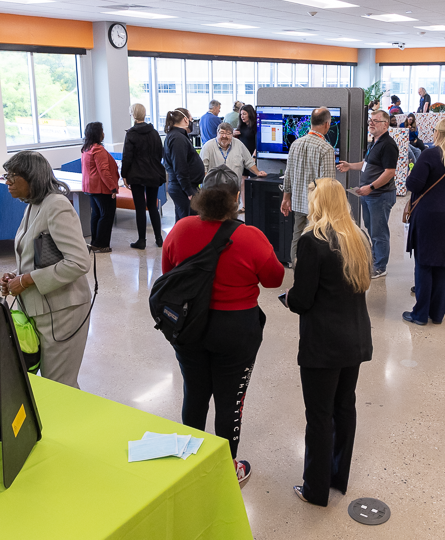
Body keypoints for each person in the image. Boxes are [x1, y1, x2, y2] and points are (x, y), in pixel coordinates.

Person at [161, 170, 285, 488]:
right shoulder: (250, 236)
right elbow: (274, 279)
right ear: (235, 199)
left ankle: (189, 462)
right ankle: (227, 468)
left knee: (194, 393)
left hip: (188, 328)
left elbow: (168, 274)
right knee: (231, 400)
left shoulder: (180, 229)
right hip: (236, 330)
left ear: (202, 195)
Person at [285, 177, 372, 507]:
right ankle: (337, 476)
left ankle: (315, 489)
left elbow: (303, 299)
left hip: (322, 345)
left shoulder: (313, 241)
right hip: (354, 340)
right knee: (344, 407)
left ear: (320, 203)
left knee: (319, 416)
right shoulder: (357, 237)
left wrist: (289, 299)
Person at [0, 151, 92, 389]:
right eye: (6, 175)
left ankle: (69, 425)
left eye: (12, 176)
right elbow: (37, 255)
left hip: (63, 310)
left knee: (59, 384)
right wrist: (14, 276)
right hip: (39, 308)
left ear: (32, 177)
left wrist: (28, 279)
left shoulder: (56, 206)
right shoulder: (33, 204)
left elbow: (79, 262)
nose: (7, 182)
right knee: (46, 383)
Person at [403, 118, 445, 326]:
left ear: (437, 133)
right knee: (442, 265)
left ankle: (420, 314)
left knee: (423, 265)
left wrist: (412, 171)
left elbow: (413, 184)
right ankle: (438, 313)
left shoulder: (429, 154)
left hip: (430, 216)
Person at [337, 109, 398, 279]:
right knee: (372, 229)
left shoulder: (388, 145)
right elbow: (367, 164)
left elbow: (389, 172)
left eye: (375, 121)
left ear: (385, 125)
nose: (371, 123)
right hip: (369, 195)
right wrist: (350, 165)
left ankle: (380, 266)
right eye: (370, 120)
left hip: (380, 195)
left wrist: (370, 187)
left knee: (379, 232)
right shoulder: (375, 142)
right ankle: (375, 260)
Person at [281, 107, 337, 265]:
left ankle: (297, 271)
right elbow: (327, 184)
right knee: (316, 241)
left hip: (298, 203)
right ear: (327, 124)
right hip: (317, 207)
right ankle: (311, 275)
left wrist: (286, 198)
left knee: (297, 238)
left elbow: (288, 173)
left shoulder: (295, 144)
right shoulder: (326, 148)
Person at [121, 102, 166, 249]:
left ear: (133, 115)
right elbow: (160, 153)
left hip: (136, 175)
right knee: (152, 206)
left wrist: (124, 174)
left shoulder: (131, 134)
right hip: (154, 173)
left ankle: (142, 240)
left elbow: (127, 157)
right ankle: (159, 239)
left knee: (140, 207)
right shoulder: (154, 132)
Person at [202, 122, 267, 211]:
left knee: (232, 218)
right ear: (217, 133)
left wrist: (258, 172)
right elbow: (203, 169)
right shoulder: (208, 147)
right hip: (214, 192)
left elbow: (248, 161)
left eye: (228, 134)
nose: (224, 136)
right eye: (222, 133)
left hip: (233, 191)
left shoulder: (239, 144)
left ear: (232, 135)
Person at [80, 121, 119, 253]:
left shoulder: (86, 148)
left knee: (96, 214)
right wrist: (113, 187)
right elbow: (104, 171)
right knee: (106, 215)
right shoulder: (98, 150)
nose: (103, 134)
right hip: (101, 188)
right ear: (98, 134)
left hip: (90, 188)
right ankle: (101, 244)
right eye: (102, 131)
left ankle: (95, 242)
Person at [164, 108, 205, 221]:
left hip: (184, 186)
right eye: (192, 119)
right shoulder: (178, 138)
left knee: (183, 222)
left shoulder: (179, 136)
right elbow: (180, 167)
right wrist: (189, 191)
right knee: (188, 223)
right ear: (186, 120)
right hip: (183, 188)